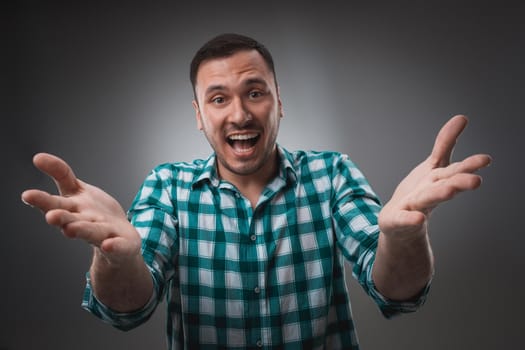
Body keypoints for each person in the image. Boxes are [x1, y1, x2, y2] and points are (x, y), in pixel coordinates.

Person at [21, 33, 491, 349]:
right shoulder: (168, 187)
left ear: (279, 102)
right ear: (199, 115)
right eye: (219, 98)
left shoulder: (331, 175)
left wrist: (403, 237)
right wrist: (116, 258)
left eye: (255, 91)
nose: (240, 114)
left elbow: (397, 292)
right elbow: (125, 310)